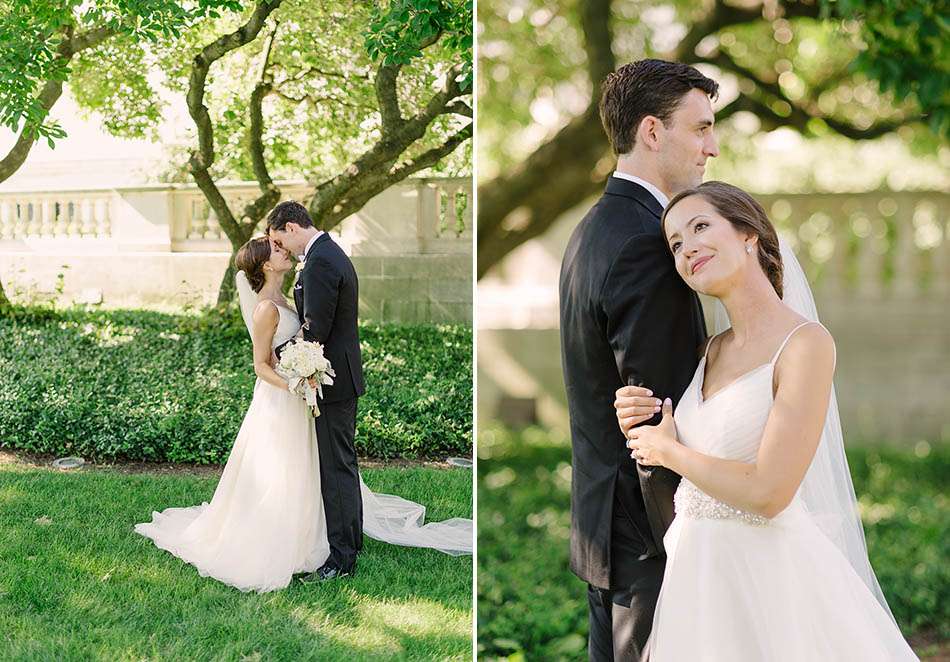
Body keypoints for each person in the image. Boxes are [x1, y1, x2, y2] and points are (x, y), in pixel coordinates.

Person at [621, 181, 917, 660]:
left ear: (748, 234)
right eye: (676, 244)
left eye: (700, 227)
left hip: (770, 582)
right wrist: (640, 420)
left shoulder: (805, 345)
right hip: (697, 580)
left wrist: (670, 452)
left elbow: (769, 492)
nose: (687, 247)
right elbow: (694, 453)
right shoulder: (711, 351)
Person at [558, 58, 719, 660]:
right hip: (648, 533)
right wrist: (686, 534)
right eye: (700, 128)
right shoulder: (648, 245)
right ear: (652, 132)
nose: (713, 146)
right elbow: (657, 411)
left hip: (604, 520)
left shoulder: (593, 229)